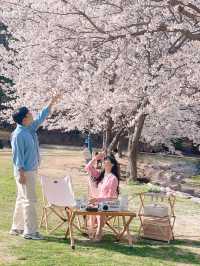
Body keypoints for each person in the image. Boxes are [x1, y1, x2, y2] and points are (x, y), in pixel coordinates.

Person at [10, 94, 61, 240]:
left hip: (29, 170)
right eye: (29, 113)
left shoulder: (29, 128)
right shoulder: (19, 134)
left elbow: (41, 117)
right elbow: (17, 156)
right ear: (24, 119)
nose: (32, 114)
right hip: (25, 171)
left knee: (22, 198)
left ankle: (17, 227)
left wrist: (51, 102)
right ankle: (30, 232)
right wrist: (21, 173)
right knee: (30, 200)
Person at [85, 152, 120, 241]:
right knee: (91, 207)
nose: (104, 163)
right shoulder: (101, 175)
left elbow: (111, 197)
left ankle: (98, 232)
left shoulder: (113, 178)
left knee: (100, 208)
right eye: (104, 161)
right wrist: (96, 158)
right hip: (99, 202)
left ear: (112, 164)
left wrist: (97, 199)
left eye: (106, 162)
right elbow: (88, 167)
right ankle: (91, 231)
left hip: (109, 203)